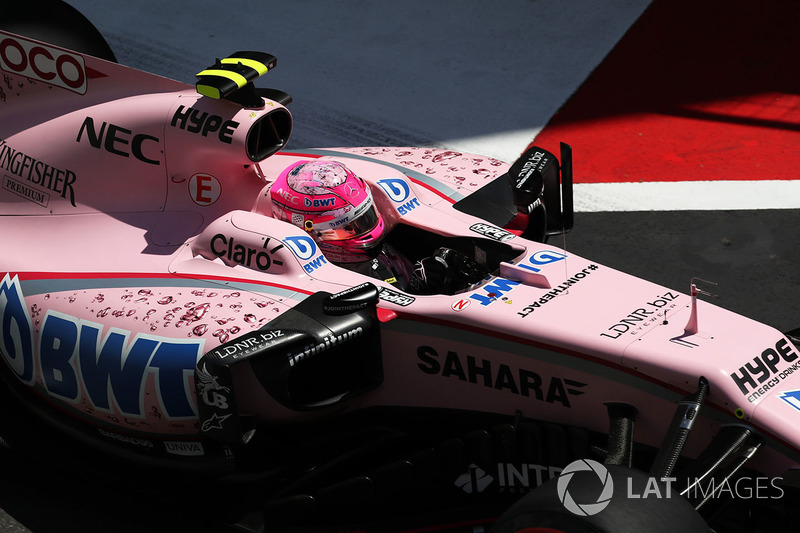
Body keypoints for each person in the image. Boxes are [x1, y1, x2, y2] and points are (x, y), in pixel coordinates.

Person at [269, 160, 487, 295]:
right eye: (349, 227)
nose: (366, 229)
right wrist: (420, 291)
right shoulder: (321, 281)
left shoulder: (372, 241)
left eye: (366, 216)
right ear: (309, 230)